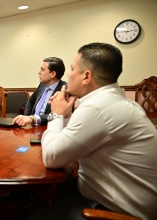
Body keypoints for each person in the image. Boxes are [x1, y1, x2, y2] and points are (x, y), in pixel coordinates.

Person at [29, 43, 157, 220]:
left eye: (73, 69)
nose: (68, 75)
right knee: (36, 193)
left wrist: (56, 115)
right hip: (108, 191)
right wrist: (65, 114)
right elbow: (69, 142)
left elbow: (52, 157)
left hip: (116, 211)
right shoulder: (111, 101)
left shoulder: (98, 107)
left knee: (34, 215)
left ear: (86, 76)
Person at [12, 57, 67, 126]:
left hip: (48, 128)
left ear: (52, 74)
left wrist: (33, 118)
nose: (39, 72)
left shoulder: (64, 90)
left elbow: (58, 115)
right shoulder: (42, 85)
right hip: (32, 126)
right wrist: (26, 118)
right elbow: (30, 101)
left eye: (42, 70)